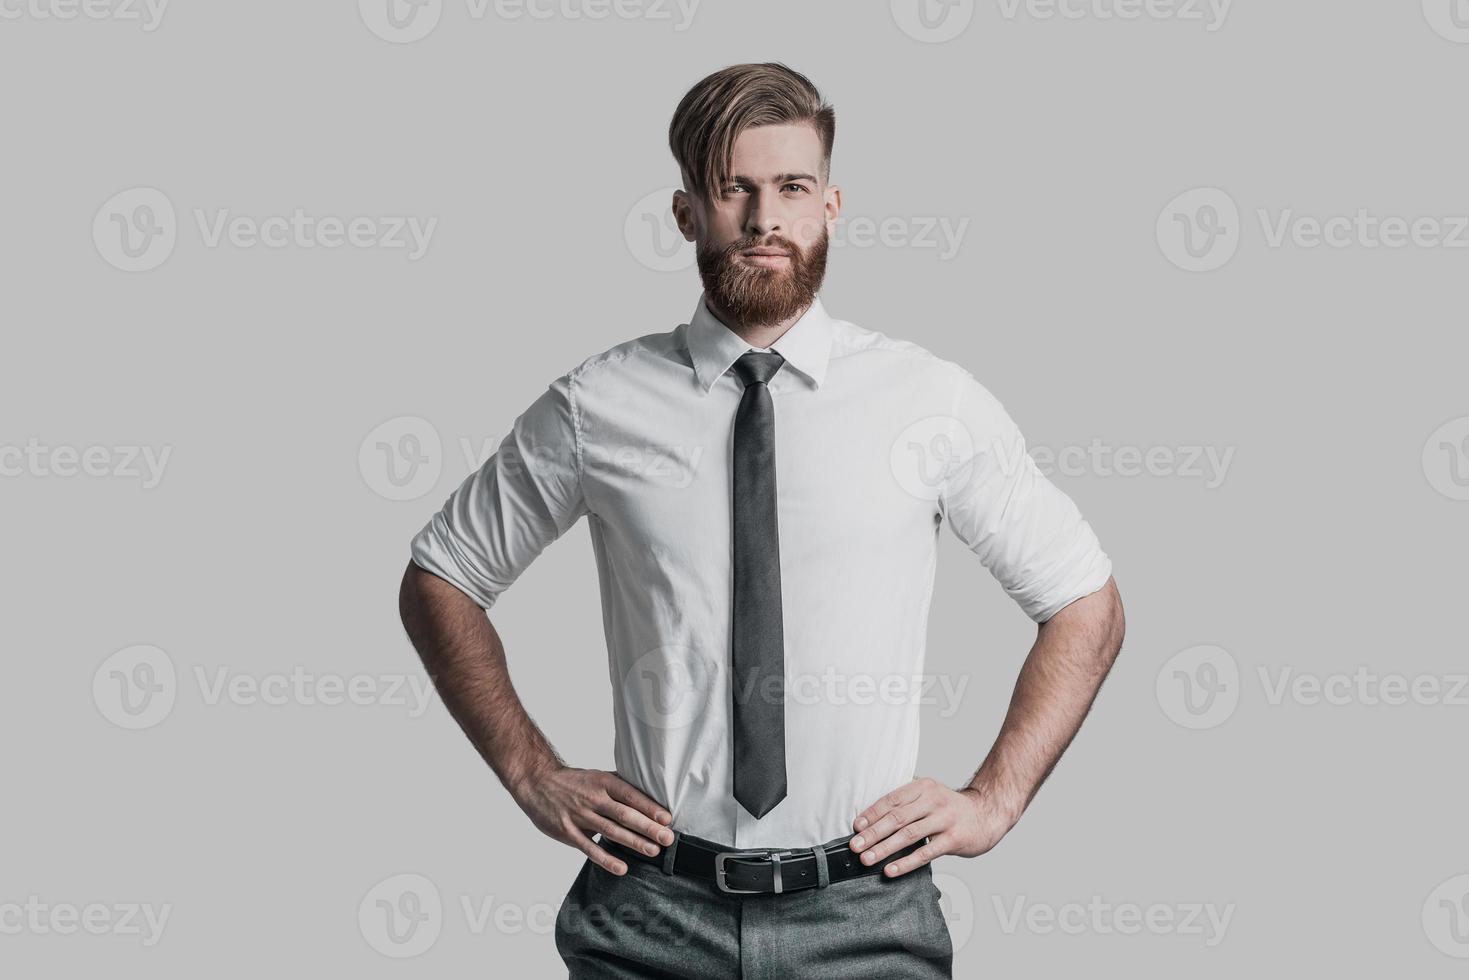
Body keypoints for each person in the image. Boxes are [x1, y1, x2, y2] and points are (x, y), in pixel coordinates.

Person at [398, 61, 1126, 979]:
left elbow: (1084, 604)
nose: (762, 219)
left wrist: (995, 799)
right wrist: (530, 772)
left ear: (831, 204)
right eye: (731, 189)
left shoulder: (929, 402)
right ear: (684, 214)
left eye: (790, 187)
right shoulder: (599, 404)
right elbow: (442, 578)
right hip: (650, 917)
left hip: (867, 916)